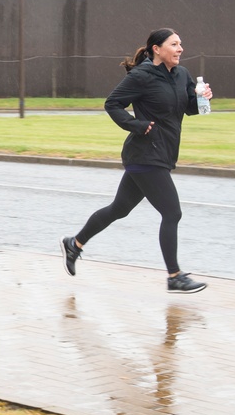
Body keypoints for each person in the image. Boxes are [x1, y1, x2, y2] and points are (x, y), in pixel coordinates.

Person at [60, 28, 212, 293]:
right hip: (145, 153)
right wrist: (137, 125)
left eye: (181, 44)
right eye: (174, 44)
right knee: (172, 212)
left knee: (119, 208)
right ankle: (174, 276)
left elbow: (187, 108)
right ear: (157, 48)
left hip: (163, 152)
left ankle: (75, 244)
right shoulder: (142, 76)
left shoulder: (181, 75)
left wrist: (201, 100)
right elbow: (113, 104)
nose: (180, 49)